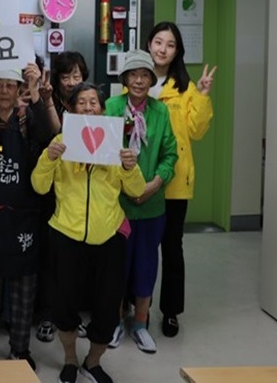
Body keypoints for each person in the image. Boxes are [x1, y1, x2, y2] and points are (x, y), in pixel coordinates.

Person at [32, 83, 145, 383]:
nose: (88, 107)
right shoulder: (60, 142)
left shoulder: (115, 144)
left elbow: (136, 190)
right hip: (65, 235)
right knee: (64, 305)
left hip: (108, 237)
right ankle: (70, 359)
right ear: (70, 109)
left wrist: (130, 167)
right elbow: (39, 186)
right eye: (81, 102)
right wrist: (48, 158)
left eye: (93, 102)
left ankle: (93, 362)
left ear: (103, 110)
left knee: (107, 308)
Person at [0, 64, 53, 369]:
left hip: (24, 216)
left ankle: (20, 348)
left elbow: (47, 134)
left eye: (10, 85)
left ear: (18, 89)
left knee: (23, 288)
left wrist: (36, 88)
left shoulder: (27, 119)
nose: (4, 91)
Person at [105, 49, 178, 355]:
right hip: (117, 205)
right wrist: (125, 187)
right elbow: (103, 151)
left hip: (151, 205)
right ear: (125, 79)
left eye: (144, 75)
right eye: (133, 75)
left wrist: (155, 184)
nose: (138, 81)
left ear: (151, 79)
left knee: (146, 265)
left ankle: (141, 323)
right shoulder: (111, 107)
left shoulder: (160, 112)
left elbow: (170, 155)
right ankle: (115, 321)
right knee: (116, 267)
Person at [146, 22, 215, 337]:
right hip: (140, 182)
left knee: (172, 249)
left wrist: (202, 94)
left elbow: (197, 131)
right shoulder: (136, 81)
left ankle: (171, 312)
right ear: (149, 45)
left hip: (174, 183)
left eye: (170, 44)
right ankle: (137, 307)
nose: (163, 49)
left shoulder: (185, 88)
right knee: (140, 248)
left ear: (177, 51)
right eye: (158, 42)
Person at [36, 51, 89, 343]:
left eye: (76, 75)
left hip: (80, 193)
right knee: (50, 257)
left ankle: (71, 315)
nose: (70, 82)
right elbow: (59, 134)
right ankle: (47, 315)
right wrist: (46, 102)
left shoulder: (90, 104)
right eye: (65, 76)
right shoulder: (47, 101)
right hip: (51, 191)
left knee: (76, 260)